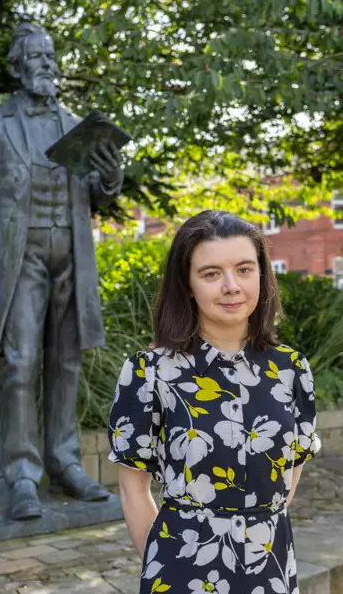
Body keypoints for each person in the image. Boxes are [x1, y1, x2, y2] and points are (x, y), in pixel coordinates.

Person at [107, 211, 321, 594]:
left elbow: (289, 476)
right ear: (187, 284)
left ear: (261, 274)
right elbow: (133, 489)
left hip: (269, 572)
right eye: (210, 274)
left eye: (244, 269)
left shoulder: (291, 369)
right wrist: (163, 566)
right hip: (182, 572)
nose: (231, 286)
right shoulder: (151, 371)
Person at [0, 23, 123, 520]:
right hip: (22, 256)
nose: (47, 64)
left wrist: (112, 177)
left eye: (51, 56)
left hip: (71, 254)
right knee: (21, 362)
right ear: (16, 66)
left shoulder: (77, 125)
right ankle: (23, 475)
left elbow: (96, 191)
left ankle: (66, 463)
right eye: (36, 57)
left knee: (67, 361)